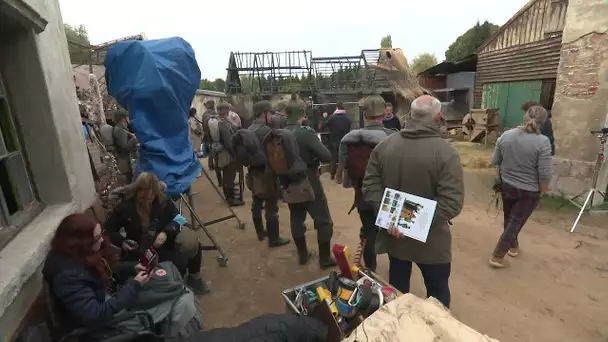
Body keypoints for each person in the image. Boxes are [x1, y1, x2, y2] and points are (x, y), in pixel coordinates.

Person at [362, 95, 464, 309]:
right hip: (432, 243)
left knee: (398, 295)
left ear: (410, 115)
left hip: (395, 238)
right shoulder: (447, 154)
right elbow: (452, 203)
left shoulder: (384, 147)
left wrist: (396, 220)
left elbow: (370, 186)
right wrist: (407, 222)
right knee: (437, 297)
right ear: (438, 117)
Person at [42, 213, 152, 340]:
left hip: (100, 302)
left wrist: (131, 268)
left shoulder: (75, 256)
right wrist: (134, 285)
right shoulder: (68, 277)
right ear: (81, 243)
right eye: (97, 237)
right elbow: (95, 316)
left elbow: (100, 270)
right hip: (94, 331)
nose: (102, 240)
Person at [105, 172, 210, 294]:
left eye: (152, 196)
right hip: (137, 250)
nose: (148, 201)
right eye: (143, 197)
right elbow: (109, 230)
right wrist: (122, 241)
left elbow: (179, 219)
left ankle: (194, 279)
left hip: (162, 246)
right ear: (137, 192)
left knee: (186, 252)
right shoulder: (125, 207)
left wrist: (166, 232)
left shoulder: (163, 201)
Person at [489, 105, 552, 268]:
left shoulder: (506, 135)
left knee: (509, 219)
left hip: (506, 185)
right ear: (544, 122)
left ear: (525, 117)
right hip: (529, 191)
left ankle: (513, 246)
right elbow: (544, 173)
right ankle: (497, 256)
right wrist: (543, 190)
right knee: (515, 222)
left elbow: (495, 160)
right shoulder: (543, 142)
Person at [339, 95, 397, 272]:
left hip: (362, 194)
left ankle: (370, 270)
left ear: (365, 115)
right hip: (388, 195)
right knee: (392, 233)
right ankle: (396, 271)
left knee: (369, 232)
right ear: (383, 114)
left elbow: (344, 165)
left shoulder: (349, 139)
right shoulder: (392, 137)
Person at [284, 96, 336, 269]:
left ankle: (302, 255)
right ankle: (324, 259)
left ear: (286, 113)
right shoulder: (306, 133)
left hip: (288, 184)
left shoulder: (278, 133)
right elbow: (326, 156)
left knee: (296, 218)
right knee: (323, 221)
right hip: (310, 182)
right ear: (302, 113)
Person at [247, 100, 291, 247]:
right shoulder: (266, 131)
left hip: (253, 172)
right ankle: (274, 238)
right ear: (263, 113)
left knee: (256, 201)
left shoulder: (249, 129)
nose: (272, 116)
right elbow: (277, 154)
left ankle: (260, 232)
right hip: (267, 173)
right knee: (271, 206)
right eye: (270, 113)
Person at [216, 101, 245, 206]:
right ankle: (231, 199)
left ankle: (230, 194)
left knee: (227, 176)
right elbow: (228, 142)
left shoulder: (219, 121)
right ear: (227, 110)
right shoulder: (223, 123)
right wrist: (234, 153)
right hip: (228, 153)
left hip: (223, 151)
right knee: (229, 176)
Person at [325, 101, 351, 183]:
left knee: (333, 158)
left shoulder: (331, 118)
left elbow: (325, 126)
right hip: (344, 140)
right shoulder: (347, 118)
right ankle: (340, 178)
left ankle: (332, 174)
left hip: (333, 140)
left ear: (336, 107)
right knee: (342, 159)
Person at [113, 109, 138, 184]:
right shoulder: (119, 130)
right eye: (128, 117)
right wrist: (134, 139)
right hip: (125, 163)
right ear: (124, 118)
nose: (130, 118)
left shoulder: (123, 129)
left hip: (127, 161)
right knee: (129, 184)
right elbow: (124, 148)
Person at [202, 100, 218, 170]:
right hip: (213, 134)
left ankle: (210, 165)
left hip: (206, 134)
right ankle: (214, 165)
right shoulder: (214, 113)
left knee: (210, 150)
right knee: (214, 150)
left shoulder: (204, 113)